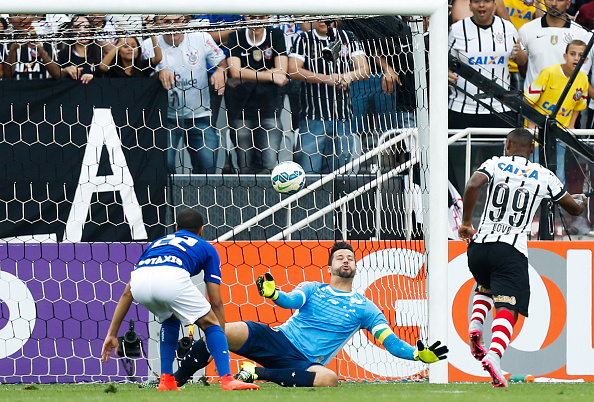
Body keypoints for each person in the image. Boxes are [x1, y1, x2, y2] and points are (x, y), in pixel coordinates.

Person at [168, 242, 448, 388]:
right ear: (330, 268)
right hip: (278, 339)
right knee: (220, 329)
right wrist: (273, 293)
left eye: (349, 258)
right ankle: (176, 380)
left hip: (304, 361)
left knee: (330, 379)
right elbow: (291, 300)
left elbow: (389, 342)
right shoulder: (314, 288)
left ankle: (257, 373)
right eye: (340, 257)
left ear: (355, 267)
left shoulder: (366, 308)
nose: (346, 260)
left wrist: (415, 355)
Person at [458, 128, 587, 387]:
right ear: (532, 149)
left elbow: (473, 184)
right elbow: (572, 208)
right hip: (511, 249)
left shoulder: (494, 163)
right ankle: (494, 357)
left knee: (485, 284)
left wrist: (466, 222)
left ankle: (475, 326)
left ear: (507, 144)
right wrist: (581, 201)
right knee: (509, 307)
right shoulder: (544, 175)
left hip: (480, 247)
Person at [101, 209, 259, 391]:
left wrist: (112, 333)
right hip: (171, 278)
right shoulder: (207, 247)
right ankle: (227, 378)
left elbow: (126, 294)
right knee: (211, 323)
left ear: (176, 228)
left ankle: (166, 379)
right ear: (201, 230)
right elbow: (215, 301)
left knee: (170, 317)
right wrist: (218, 339)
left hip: (140, 283)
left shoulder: (157, 243)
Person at [289, 21, 370, 174]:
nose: (323, 20)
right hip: (312, 119)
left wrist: (347, 76)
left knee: (340, 176)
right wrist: (325, 78)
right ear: (312, 17)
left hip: (343, 119)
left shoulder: (348, 37)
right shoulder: (304, 39)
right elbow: (293, 70)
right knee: (308, 174)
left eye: (327, 16)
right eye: (319, 15)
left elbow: (365, 70)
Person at [155, 15, 227, 174]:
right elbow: (140, 74)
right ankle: (171, 199)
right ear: (158, 23)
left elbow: (222, 62)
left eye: (178, 21)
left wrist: (221, 71)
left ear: (185, 21)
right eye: (167, 22)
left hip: (199, 116)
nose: (173, 26)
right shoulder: (151, 43)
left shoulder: (201, 38)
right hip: (165, 119)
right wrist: (158, 72)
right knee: (165, 167)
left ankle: (203, 199)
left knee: (208, 166)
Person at [225, 15, 288, 173]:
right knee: (245, 166)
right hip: (241, 111)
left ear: (268, 17)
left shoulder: (276, 35)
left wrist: (244, 77)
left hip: (269, 110)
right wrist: (270, 75)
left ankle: (270, 198)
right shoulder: (236, 36)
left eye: (262, 17)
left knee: (269, 164)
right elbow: (234, 71)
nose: (257, 21)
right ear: (245, 17)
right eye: (253, 17)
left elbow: (282, 71)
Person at [448, 0, 518, 130]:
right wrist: (446, 72)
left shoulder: (507, 28)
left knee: (497, 150)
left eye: (486, 1)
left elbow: (522, 59)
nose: (481, 5)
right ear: (470, 6)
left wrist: (522, 56)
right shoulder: (457, 30)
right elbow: (441, 60)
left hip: (500, 109)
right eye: (476, 1)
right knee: (462, 150)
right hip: (462, 108)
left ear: (494, 5)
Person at [2, 14, 60, 79]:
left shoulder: (46, 41)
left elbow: (57, 74)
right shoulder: (4, 43)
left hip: (41, 88)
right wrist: (13, 49)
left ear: (33, 17)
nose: (21, 18)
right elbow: (7, 76)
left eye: (26, 14)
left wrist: (40, 50)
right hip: (16, 88)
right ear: (9, 19)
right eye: (16, 15)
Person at [57, 15, 102, 84]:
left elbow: (108, 78)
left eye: (87, 27)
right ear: (71, 31)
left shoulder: (100, 53)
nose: (82, 31)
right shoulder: (63, 54)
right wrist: (64, 71)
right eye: (77, 27)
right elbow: (50, 78)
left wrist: (94, 78)